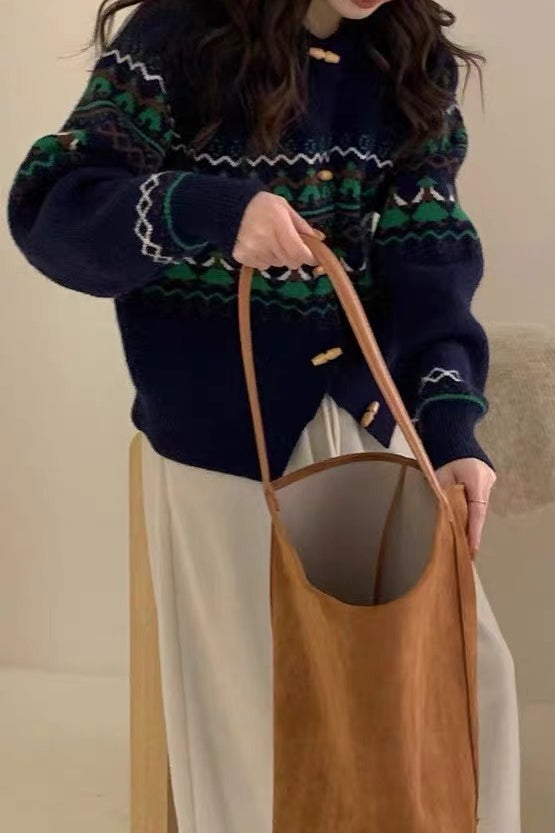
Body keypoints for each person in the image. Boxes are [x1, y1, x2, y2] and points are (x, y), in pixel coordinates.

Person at [7, 0, 520, 830]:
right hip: (218, 439)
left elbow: (429, 266)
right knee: (261, 732)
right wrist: (209, 211)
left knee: (467, 684)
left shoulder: (411, 59)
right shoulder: (179, 35)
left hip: (363, 420)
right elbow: (56, 209)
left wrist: (450, 426)